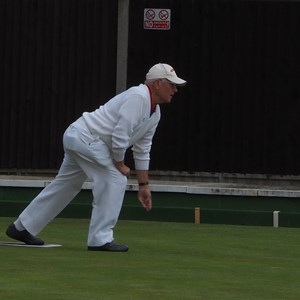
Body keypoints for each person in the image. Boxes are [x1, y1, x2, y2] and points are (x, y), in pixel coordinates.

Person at [6, 63, 187, 252]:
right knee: (115, 178)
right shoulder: (138, 96)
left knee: (66, 184)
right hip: (86, 137)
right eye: (172, 84)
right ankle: (100, 239)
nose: (175, 90)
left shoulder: (155, 113)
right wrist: (119, 163)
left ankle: (21, 227)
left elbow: (142, 148)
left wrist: (144, 185)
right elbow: (120, 135)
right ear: (157, 83)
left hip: (83, 139)